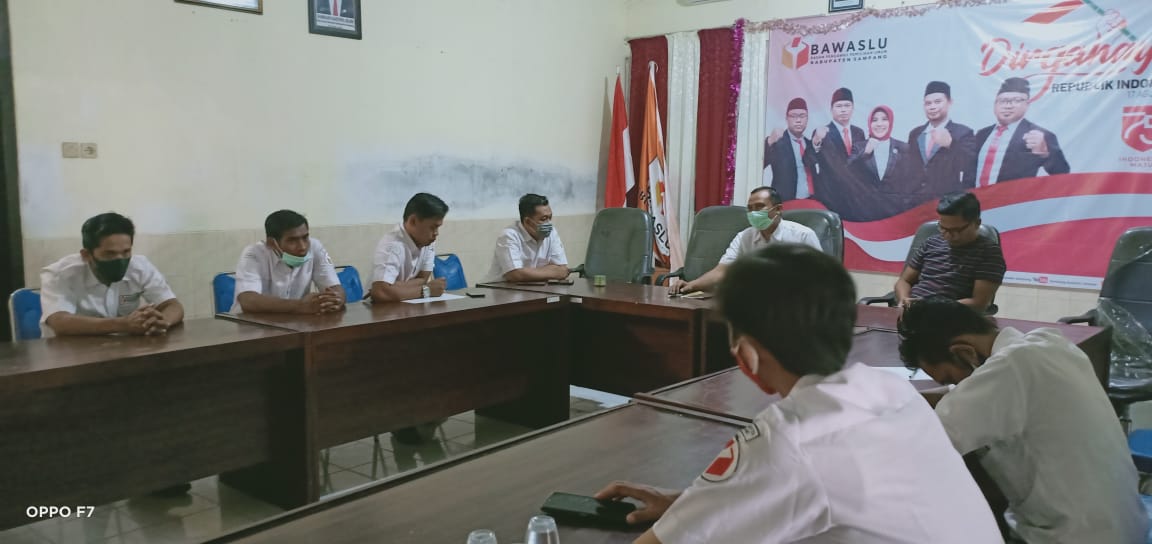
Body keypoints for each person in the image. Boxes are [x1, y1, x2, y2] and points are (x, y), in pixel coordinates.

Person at [597, 245, 1001, 544]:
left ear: (748, 353)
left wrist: (694, 515)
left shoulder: (788, 438)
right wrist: (697, 504)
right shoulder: (891, 390)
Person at [898, 297, 1148, 543]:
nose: (956, 386)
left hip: (1072, 536)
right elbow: (970, 391)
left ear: (965, 352)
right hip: (1125, 526)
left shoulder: (1007, 370)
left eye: (950, 377)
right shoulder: (1047, 343)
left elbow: (925, 444)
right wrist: (909, 396)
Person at [40, 212, 184, 338]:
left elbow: (173, 305)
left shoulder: (140, 267)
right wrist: (123, 324)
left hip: (125, 348)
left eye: (126, 252)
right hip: (70, 352)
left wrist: (161, 322)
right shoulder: (59, 274)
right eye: (110, 253)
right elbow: (60, 321)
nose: (120, 259)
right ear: (86, 255)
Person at [670, 187, 820, 294]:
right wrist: (691, 285)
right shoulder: (744, 237)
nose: (753, 213)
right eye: (750, 208)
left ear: (778, 209)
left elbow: (819, 279)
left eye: (759, 207)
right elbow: (722, 272)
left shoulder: (802, 236)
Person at [894, 192, 1005, 313]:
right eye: (943, 228)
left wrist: (930, 307)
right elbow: (904, 281)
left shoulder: (989, 253)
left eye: (956, 230)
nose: (948, 235)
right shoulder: (931, 243)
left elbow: (979, 303)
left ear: (977, 223)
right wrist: (903, 299)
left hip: (951, 317)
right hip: (912, 313)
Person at [232, 210, 345, 314]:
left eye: (305, 237)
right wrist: (300, 306)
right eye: (292, 240)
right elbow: (248, 301)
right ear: (272, 243)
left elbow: (335, 287)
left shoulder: (315, 247)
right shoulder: (253, 254)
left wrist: (336, 300)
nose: (302, 246)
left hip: (296, 321)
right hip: (250, 324)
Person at [968, 77, 1069, 187]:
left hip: (1013, 197)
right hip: (976, 196)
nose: (1008, 106)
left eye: (1016, 100)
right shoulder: (982, 134)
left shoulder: (1042, 135)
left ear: (1027, 104)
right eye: (1003, 101)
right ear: (995, 104)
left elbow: (1063, 174)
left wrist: (1045, 153)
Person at [370, 193, 449, 302]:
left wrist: (395, 287)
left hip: (405, 304)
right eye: (432, 227)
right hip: (378, 309)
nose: (436, 233)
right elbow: (381, 292)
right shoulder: (392, 245)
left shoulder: (428, 241)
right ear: (413, 221)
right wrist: (427, 290)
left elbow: (423, 278)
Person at [905, 81, 975, 197]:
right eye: (928, 103)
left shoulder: (963, 133)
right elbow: (909, 170)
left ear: (950, 102)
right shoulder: (915, 134)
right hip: (917, 202)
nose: (932, 107)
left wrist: (951, 144)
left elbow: (969, 167)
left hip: (947, 201)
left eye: (937, 102)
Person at [483, 193, 570, 283]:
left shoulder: (552, 233)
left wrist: (526, 273)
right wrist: (552, 271)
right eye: (544, 219)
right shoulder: (509, 236)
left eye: (550, 218)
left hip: (532, 287)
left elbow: (562, 269)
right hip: (497, 288)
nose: (549, 223)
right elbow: (515, 274)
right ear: (527, 221)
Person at [763, 97, 819, 201]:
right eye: (793, 116)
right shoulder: (778, 142)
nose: (798, 120)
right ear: (786, 118)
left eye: (802, 116)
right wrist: (769, 142)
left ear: (807, 118)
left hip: (811, 201)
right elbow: (758, 165)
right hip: (785, 202)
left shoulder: (810, 144)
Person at [848, 105, 912, 193]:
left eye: (884, 119)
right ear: (869, 123)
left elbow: (909, 181)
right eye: (874, 120)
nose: (879, 124)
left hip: (895, 200)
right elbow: (847, 172)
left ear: (891, 122)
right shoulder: (859, 147)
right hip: (865, 200)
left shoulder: (904, 147)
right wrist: (865, 153)